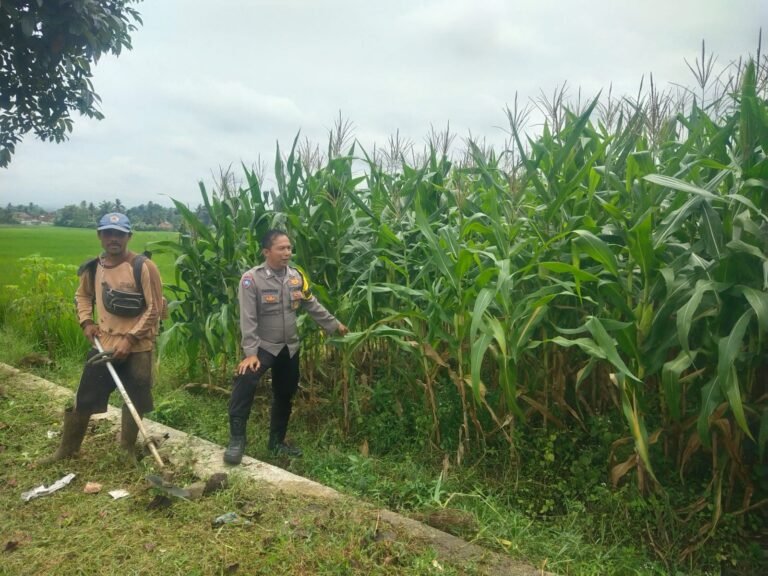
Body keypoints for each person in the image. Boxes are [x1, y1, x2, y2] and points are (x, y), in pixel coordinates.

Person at [42, 212, 164, 464]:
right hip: (104, 343)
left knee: (135, 397)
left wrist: (129, 340)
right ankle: (68, 449)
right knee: (85, 395)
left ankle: (126, 449)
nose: (113, 239)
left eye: (119, 234)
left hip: (138, 346)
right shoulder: (93, 267)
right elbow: (83, 296)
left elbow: (154, 309)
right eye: (108, 233)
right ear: (100, 236)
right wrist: (86, 321)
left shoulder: (143, 267)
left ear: (128, 236)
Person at [224, 229, 348, 464]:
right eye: (281, 248)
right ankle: (237, 440)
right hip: (264, 346)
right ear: (266, 251)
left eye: (289, 248)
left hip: (289, 347)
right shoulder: (252, 279)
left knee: (285, 393)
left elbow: (312, 304)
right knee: (245, 380)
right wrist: (250, 353)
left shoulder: (296, 276)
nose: (287, 252)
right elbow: (247, 318)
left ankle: (277, 442)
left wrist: (335, 325)